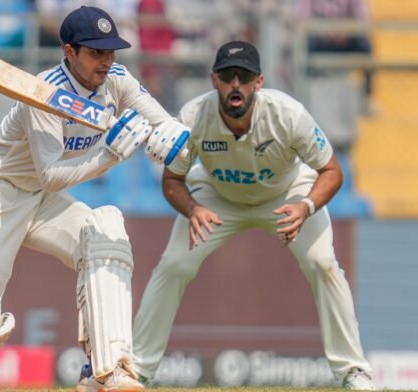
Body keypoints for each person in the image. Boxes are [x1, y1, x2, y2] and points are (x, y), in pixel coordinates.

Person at [0, 6, 189, 392]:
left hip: (38, 199)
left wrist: (173, 141)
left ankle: (108, 371)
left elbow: (162, 123)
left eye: (110, 52)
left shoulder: (117, 79)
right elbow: (51, 176)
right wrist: (110, 156)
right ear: (69, 51)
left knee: (105, 235)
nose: (106, 61)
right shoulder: (46, 92)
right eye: (95, 52)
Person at [131, 41, 376, 390]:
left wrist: (305, 206)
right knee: (174, 264)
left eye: (243, 76)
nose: (236, 84)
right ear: (213, 79)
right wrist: (192, 209)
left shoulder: (288, 115)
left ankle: (354, 372)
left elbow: (332, 171)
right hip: (217, 196)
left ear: (258, 82)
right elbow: (173, 180)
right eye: (228, 76)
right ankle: (137, 371)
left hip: (286, 193)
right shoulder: (193, 117)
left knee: (322, 263)